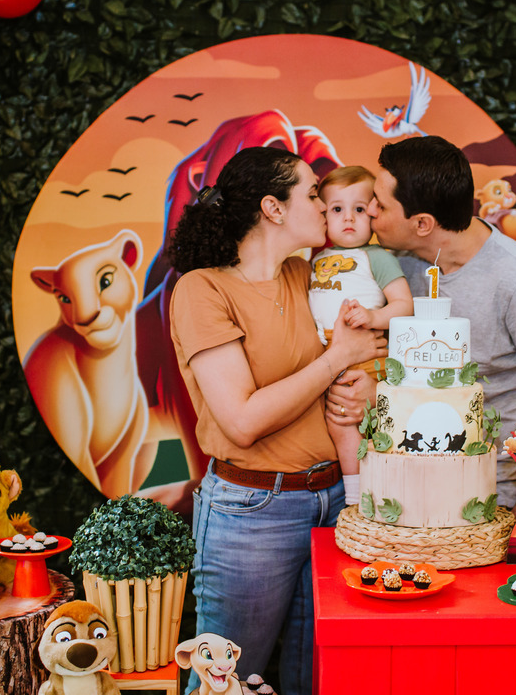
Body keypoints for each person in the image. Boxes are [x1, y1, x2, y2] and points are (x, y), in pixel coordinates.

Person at [167, 146, 384, 695]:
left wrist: (366, 386)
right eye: (313, 194)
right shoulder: (202, 289)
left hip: (335, 500)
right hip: (252, 512)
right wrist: (336, 360)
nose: (327, 206)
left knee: (320, 680)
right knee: (227, 682)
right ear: (274, 208)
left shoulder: (308, 274)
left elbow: (365, 354)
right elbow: (241, 420)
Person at [330, 135, 516, 518]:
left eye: (380, 204)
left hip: (494, 498)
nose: (368, 211)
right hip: (405, 491)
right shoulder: (391, 263)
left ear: (422, 223)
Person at [308, 166, 413, 502]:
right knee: (336, 423)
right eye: (337, 209)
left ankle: (358, 499)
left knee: (353, 423)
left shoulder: (377, 258)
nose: (348, 218)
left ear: (372, 214)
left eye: (359, 209)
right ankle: (361, 494)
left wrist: (373, 316)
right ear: (324, 215)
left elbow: (404, 304)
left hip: (365, 356)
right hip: (326, 357)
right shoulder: (316, 260)